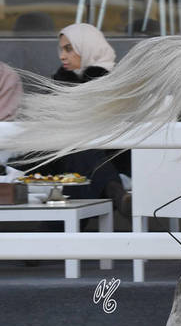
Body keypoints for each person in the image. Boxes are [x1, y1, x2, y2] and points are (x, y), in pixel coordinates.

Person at [27, 25, 132, 215]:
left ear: (88, 47)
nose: (62, 56)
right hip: (63, 155)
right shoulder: (59, 82)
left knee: (81, 152)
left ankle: (53, 232)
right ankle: (115, 193)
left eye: (69, 48)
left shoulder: (116, 82)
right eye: (61, 49)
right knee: (78, 151)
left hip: (110, 154)